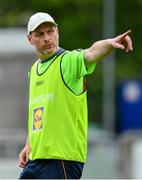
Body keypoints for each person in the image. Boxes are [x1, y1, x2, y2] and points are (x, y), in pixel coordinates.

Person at [18, 12, 133, 179]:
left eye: (50, 31)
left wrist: (110, 43)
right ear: (30, 39)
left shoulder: (68, 61)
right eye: (40, 34)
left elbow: (91, 53)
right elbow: (39, 113)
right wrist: (29, 144)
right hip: (37, 159)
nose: (47, 38)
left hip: (62, 160)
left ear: (57, 32)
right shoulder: (34, 70)